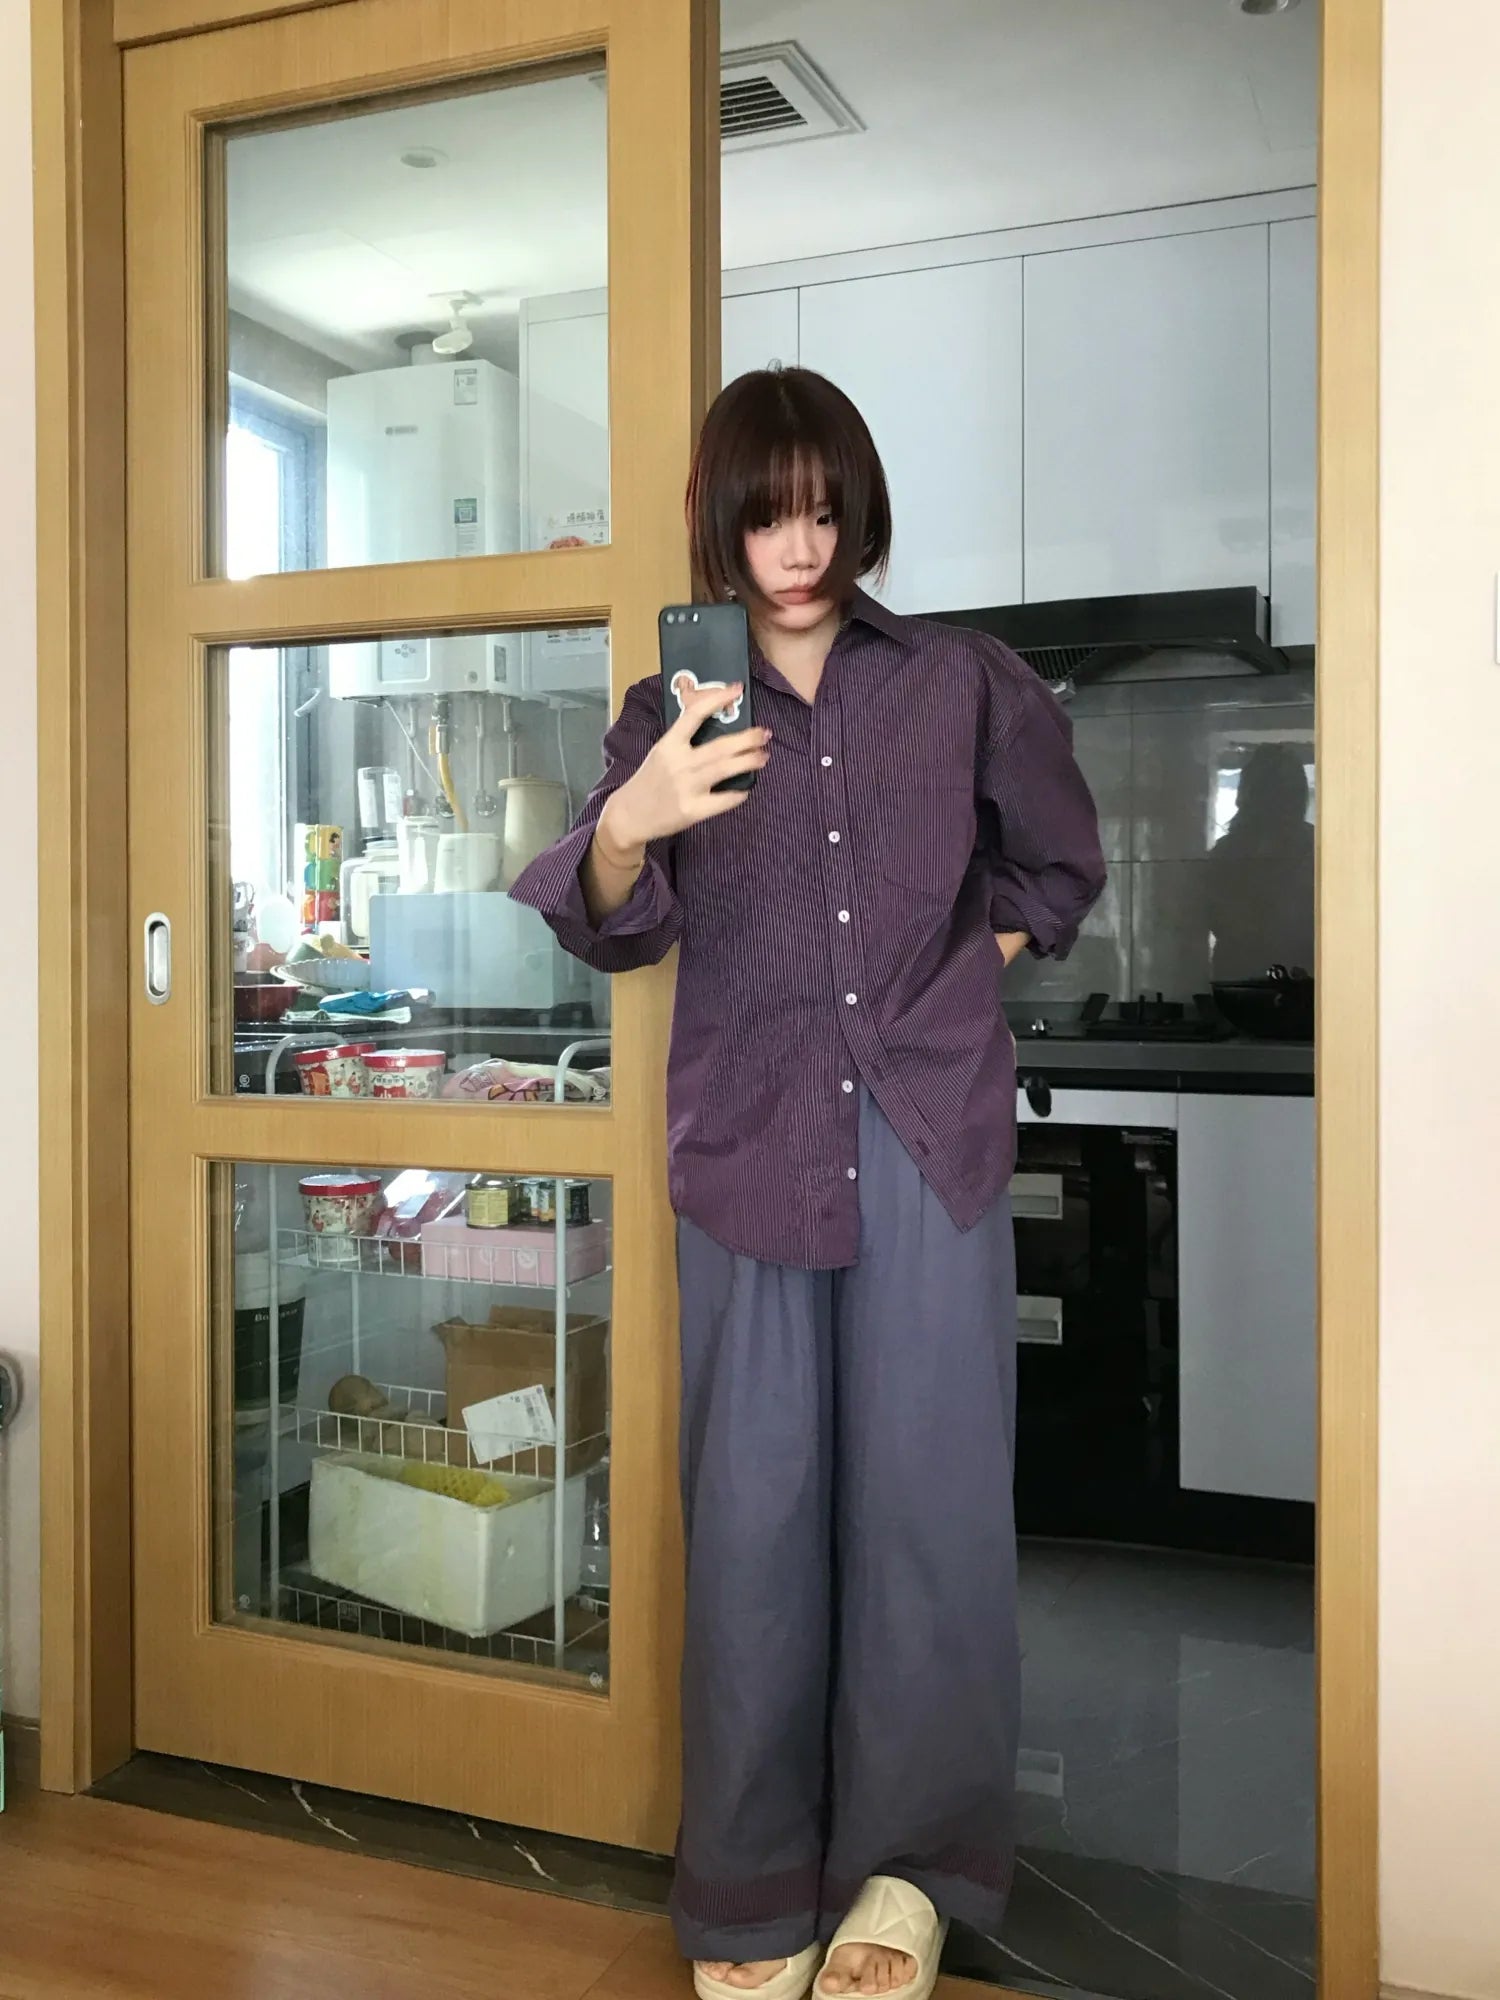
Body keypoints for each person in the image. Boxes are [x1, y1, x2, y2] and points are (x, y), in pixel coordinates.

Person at [511, 368, 1106, 2000]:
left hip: (926, 1136)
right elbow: (604, 920)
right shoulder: (671, 707)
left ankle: (910, 1874)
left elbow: (1060, 865)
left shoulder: (964, 683)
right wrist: (631, 821)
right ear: (722, 519)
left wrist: (963, 975)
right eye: (769, 515)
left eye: (825, 512)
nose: (799, 548)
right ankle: (755, 1879)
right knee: (755, 1517)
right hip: (750, 1145)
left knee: (927, 1512)